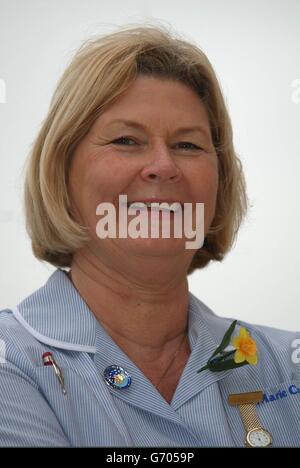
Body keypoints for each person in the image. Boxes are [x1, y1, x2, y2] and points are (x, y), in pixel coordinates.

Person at [0, 24, 299, 447]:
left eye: (188, 145)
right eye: (126, 140)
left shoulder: (290, 367)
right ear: (61, 173)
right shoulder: (12, 363)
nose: (163, 166)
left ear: (220, 181)